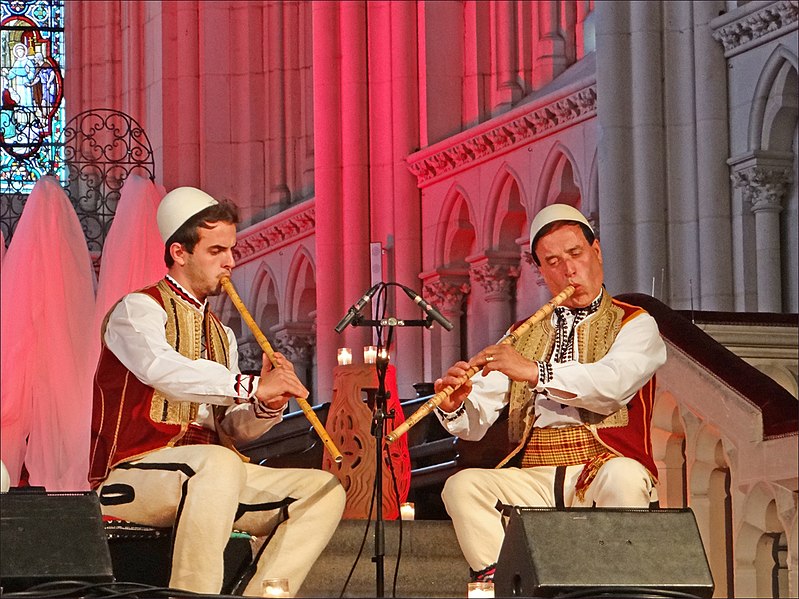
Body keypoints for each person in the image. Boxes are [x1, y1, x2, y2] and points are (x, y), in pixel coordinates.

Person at [88, 186, 345, 597]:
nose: (230, 262)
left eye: (232, 250)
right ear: (179, 252)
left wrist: (265, 403)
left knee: (322, 491)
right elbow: (162, 370)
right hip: (131, 477)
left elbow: (230, 429)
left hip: (207, 476)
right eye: (216, 251)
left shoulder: (222, 334)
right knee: (218, 464)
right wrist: (248, 384)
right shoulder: (137, 310)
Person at [433, 203, 668, 582]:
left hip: (599, 468)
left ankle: (618, 590)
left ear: (597, 252)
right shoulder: (525, 331)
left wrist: (534, 371)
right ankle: (508, 586)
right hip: (537, 476)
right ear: (542, 272)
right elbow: (478, 418)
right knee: (462, 487)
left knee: (625, 477)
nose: (568, 270)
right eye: (553, 261)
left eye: (575, 254)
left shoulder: (635, 324)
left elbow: (610, 386)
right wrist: (458, 404)